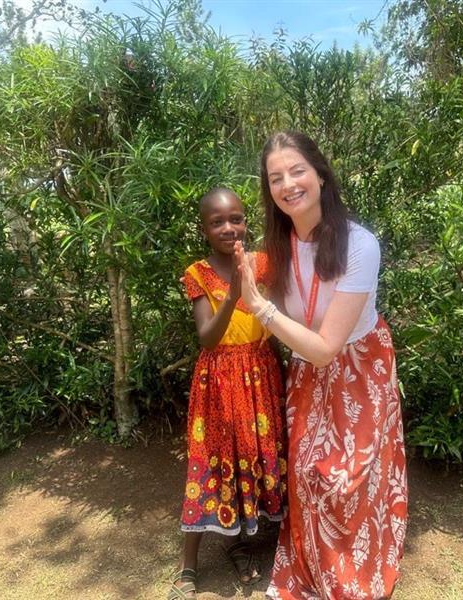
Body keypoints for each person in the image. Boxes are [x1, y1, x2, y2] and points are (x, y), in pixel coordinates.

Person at [234, 132, 408, 599]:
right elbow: (295, 327)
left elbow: (328, 346)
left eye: (297, 171)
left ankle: (356, 576)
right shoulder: (279, 246)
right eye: (276, 178)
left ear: (320, 174)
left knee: (347, 481)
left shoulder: (359, 245)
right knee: (309, 476)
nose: (288, 184)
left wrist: (261, 308)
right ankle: (313, 569)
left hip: (358, 367)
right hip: (306, 372)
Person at [169, 187, 287, 600]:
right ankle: (188, 566)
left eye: (235, 218)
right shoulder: (197, 273)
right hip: (219, 384)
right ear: (204, 229)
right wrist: (234, 293)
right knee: (212, 462)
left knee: (251, 461)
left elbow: (276, 324)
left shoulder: (264, 264)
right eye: (217, 221)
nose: (228, 227)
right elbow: (207, 337)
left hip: (261, 378)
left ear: (246, 221)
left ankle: (241, 544)